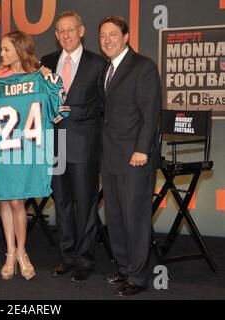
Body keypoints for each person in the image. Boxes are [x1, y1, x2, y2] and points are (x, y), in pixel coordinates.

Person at [0, 30, 70, 281]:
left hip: (28, 148)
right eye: (1, 49)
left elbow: (61, 106)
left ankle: (22, 251)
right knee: (5, 199)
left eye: (5, 49)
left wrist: (52, 81)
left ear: (19, 50)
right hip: (3, 146)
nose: (1, 53)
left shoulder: (39, 76)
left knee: (17, 201)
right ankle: (10, 253)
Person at [40, 11, 107, 282]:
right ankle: (66, 257)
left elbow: (104, 106)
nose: (66, 35)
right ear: (56, 36)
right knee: (63, 203)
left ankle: (84, 259)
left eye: (70, 30)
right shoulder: (46, 62)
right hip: (56, 145)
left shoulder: (97, 64)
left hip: (84, 145)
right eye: (60, 31)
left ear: (81, 31)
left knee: (86, 203)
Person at [99, 16, 161, 296]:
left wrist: (142, 149)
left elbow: (150, 114)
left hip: (134, 157)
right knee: (115, 216)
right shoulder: (107, 69)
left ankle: (137, 276)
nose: (107, 40)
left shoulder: (143, 66)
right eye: (102, 36)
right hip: (110, 156)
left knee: (134, 216)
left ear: (126, 37)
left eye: (113, 34)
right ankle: (124, 267)